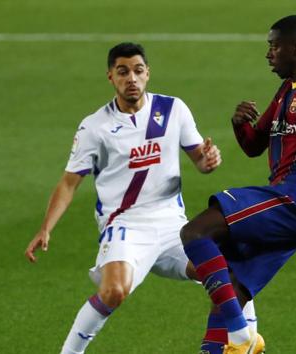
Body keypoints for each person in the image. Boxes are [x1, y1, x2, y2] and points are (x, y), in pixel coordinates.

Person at [25, 42, 226, 354]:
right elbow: (69, 182)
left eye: (138, 70)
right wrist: (45, 227)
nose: (131, 78)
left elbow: (200, 160)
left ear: (147, 74)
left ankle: (241, 342)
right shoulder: (95, 127)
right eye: (123, 72)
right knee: (114, 291)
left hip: (173, 225)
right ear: (110, 77)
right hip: (125, 227)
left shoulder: (173, 110)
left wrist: (208, 160)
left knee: (226, 273)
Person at [180, 15, 296, 354]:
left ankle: (241, 336)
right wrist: (239, 125)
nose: (268, 54)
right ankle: (227, 343)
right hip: (285, 202)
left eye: (274, 46)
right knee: (229, 289)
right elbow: (254, 146)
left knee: (195, 233)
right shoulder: (287, 90)